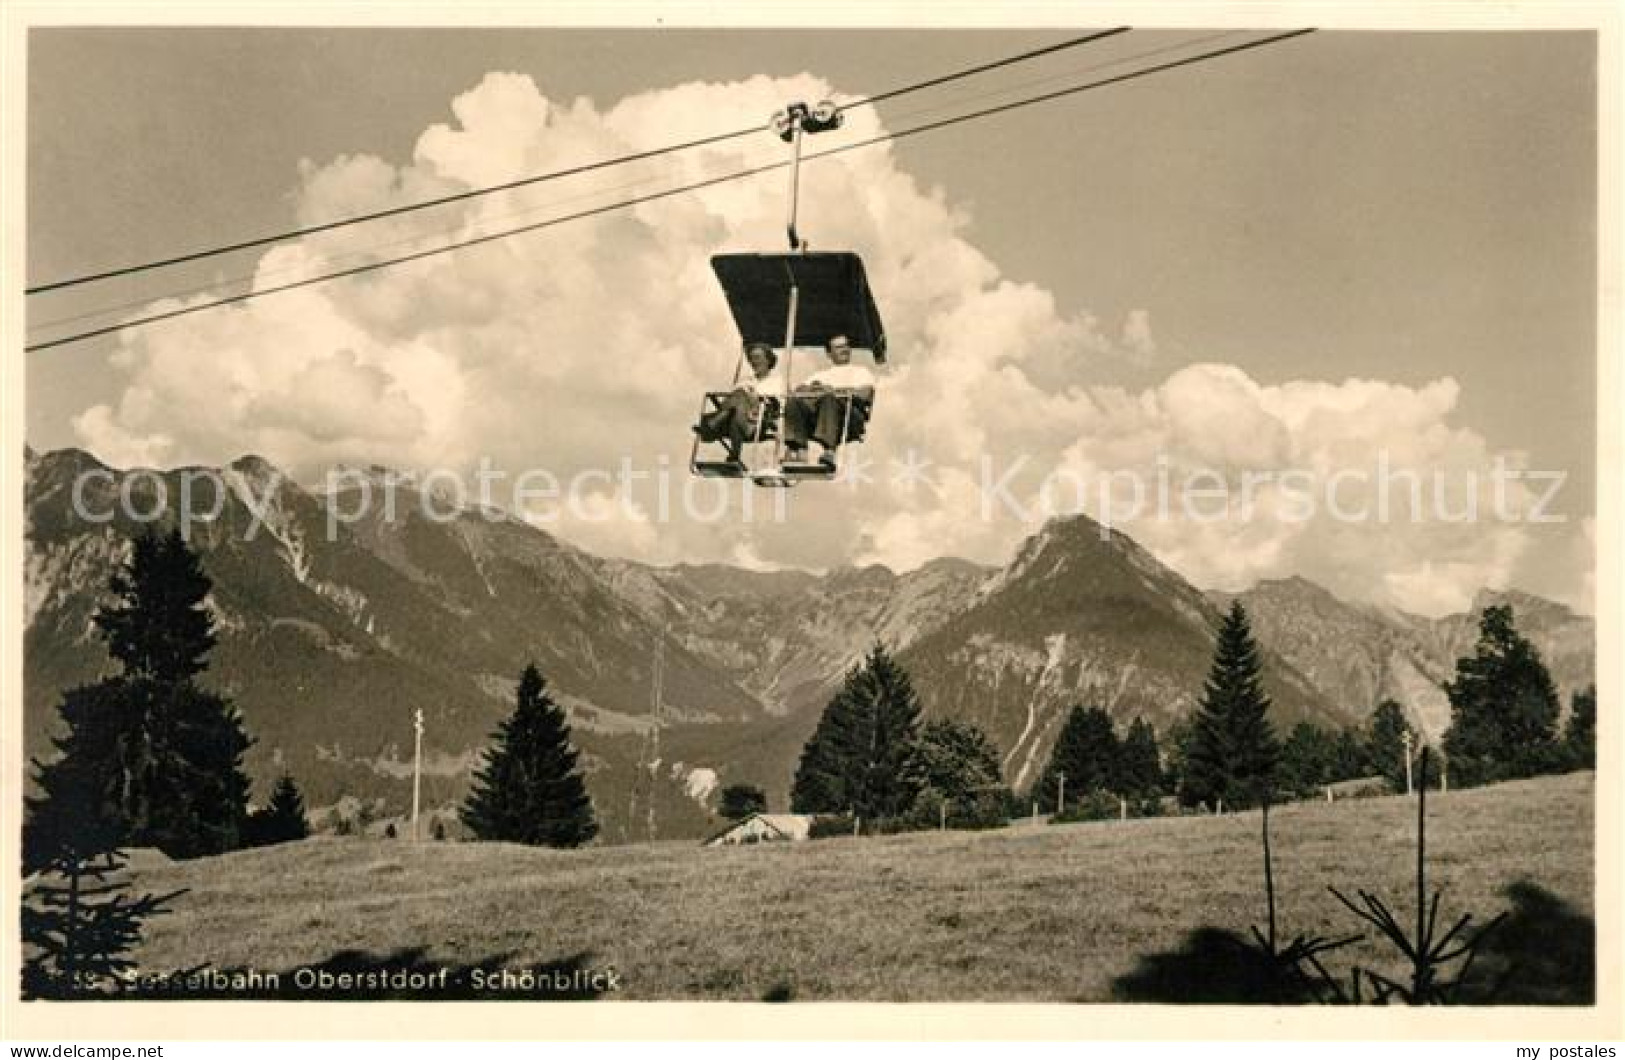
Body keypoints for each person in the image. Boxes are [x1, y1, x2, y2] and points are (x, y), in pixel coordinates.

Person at [783, 334, 875, 467]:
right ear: (829, 353)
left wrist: (832, 391)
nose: (844, 350)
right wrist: (812, 389)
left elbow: (864, 394)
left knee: (828, 398)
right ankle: (798, 450)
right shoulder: (820, 375)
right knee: (794, 400)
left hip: (848, 419)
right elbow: (799, 390)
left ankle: (829, 452)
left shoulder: (860, 372)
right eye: (838, 347)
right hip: (820, 419)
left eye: (846, 346)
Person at [695, 341, 778, 463]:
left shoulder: (776, 381)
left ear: (768, 360)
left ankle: (713, 424)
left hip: (759, 421)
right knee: (738, 401)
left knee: (740, 396)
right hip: (738, 418)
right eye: (751, 358)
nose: (754, 362)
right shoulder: (745, 381)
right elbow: (726, 402)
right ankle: (734, 456)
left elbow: (777, 407)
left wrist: (754, 397)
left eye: (758, 357)